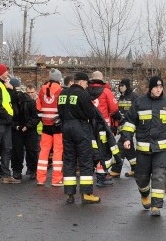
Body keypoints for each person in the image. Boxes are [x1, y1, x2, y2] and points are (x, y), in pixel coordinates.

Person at [121, 75, 166, 216]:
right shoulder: (139, 102)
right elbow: (129, 122)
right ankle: (144, 194)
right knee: (141, 177)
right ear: (150, 88)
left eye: (161, 87)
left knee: (159, 176)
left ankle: (156, 206)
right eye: (156, 87)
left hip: (161, 149)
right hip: (143, 148)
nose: (158, 90)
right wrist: (127, 138)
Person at [57, 72, 101, 204]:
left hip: (66, 127)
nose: (87, 86)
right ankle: (86, 193)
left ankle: (69, 194)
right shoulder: (82, 94)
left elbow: (59, 111)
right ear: (82, 82)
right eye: (86, 83)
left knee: (69, 160)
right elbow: (91, 113)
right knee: (85, 161)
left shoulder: (63, 94)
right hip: (80, 128)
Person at [87, 70, 120, 187]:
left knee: (91, 151)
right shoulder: (106, 91)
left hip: (89, 127)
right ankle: (101, 176)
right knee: (103, 151)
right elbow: (114, 109)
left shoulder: (85, 91)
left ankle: (89, 176)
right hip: (103, 128)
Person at [36, 69, 64, 187]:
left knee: (44, 152)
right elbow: (63, 108)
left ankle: (40, 179)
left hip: (45, 125)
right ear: (59, 78)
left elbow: (38, 107)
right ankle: (56, 179)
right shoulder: (61, 90)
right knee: (58, 152)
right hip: (57, 125)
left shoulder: (42, 90)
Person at [10, 79, 40, 180]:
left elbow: (36, 117)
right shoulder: (14, 103)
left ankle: (32, 170)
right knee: (17, 151)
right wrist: (16, 126)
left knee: (31, 151)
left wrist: (28, 126)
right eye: (28, 92)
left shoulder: (31, 103)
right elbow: (11, 118)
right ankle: (17, 171)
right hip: (18, 130)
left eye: (32, 92)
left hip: (30, 130)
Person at [114, 78, 138, 177]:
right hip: (122, 125)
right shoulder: (121, 97)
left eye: (122, 85)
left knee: (121, 145)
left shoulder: (134, 97)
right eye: (119, 86)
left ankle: (116, 170)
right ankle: (136, 168)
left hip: (130, 125)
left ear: (127, 86)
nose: (120, 87)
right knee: (129, 148)